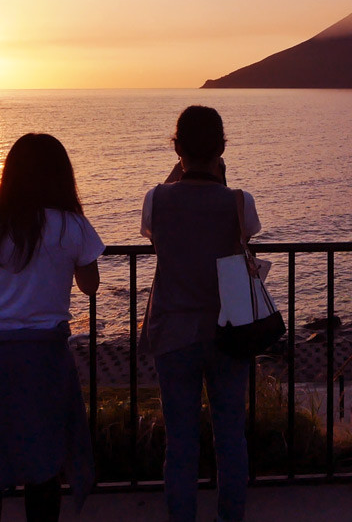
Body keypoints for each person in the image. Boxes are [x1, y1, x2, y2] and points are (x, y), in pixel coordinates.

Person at [0, 133, 103, 522]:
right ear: (62, 176)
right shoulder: (72, 226)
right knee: (42, 463)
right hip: (40, 354)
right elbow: (90, 286)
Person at [141, 106, 261, 522]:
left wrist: (182, 172)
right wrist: (215, 178)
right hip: (229, 331)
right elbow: (246, 234)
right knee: (230, 439)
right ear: (222, 148)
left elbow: (157, 234)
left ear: (177, 148)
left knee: (181, 444)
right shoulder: (239, 203)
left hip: (172, 331)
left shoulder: (156, 200)